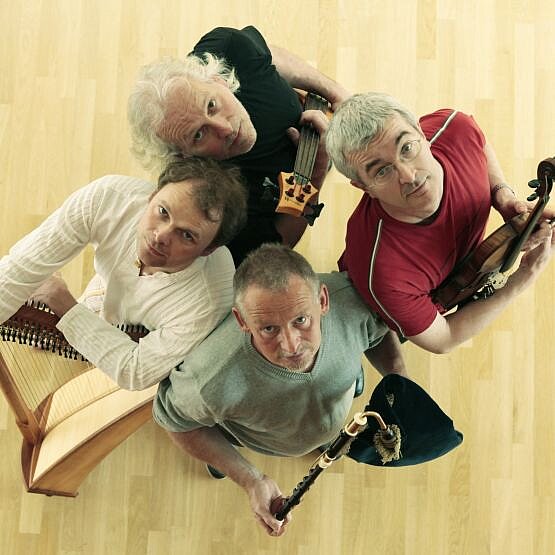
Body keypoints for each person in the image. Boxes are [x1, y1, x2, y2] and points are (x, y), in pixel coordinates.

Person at [153, 243, 407, 536]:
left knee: (332, 432)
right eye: (269, 329)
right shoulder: (208, 381)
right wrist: (249, 478)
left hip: (334, 415)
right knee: (221, 448)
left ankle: (328, 438)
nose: (291, 346)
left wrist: (401, 381)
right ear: (242, 321)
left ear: (323, 300)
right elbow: (176, 422)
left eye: (301, 320)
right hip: (265, 439)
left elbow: (377, 332)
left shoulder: (353, 299)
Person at [325, 92, 555, 354]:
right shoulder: (382, 273)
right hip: (396, 300)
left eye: (406, 148)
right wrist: (521, 280)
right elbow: (444, 337)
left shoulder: (455, 129)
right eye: (382, 171)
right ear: (364, 187)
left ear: (420, 132)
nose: (409, 176)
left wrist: (502, 193)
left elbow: (479, 143)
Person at [0, 156, 247, 390]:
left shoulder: (210, 299)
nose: (160, 236)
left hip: (149, 333)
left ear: (208, 250)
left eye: (186, 235)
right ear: (152, 196)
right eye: (163, 212)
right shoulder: (107, 197)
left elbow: (135, 371)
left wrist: (62, 302)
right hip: (102, 293)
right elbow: (18, 269)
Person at [128, 25, 351, 263]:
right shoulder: (214, 201)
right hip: (303, 187)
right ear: (185, 157)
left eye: (211, 105)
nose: (225, 128)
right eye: (199, 135)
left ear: (218, 80)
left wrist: (337, 94)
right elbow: (279, 242)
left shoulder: (226, 47)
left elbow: (269, 57)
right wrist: (316, 169)